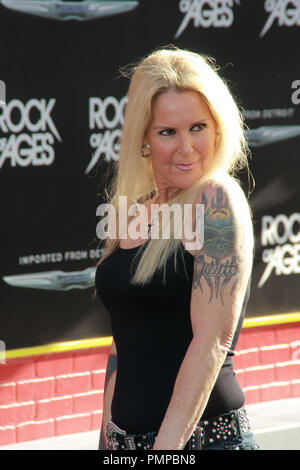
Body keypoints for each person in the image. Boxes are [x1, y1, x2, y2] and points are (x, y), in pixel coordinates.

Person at [95, 46, 259, 450]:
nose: (186, 148)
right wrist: (106, 439)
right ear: (144, 138)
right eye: (168, 132)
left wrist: (165, 451)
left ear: (218, 127)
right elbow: (122, 343)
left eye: (198, 127)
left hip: (199, 441)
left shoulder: (216, 201)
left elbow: (212, 342)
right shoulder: (133, 212)